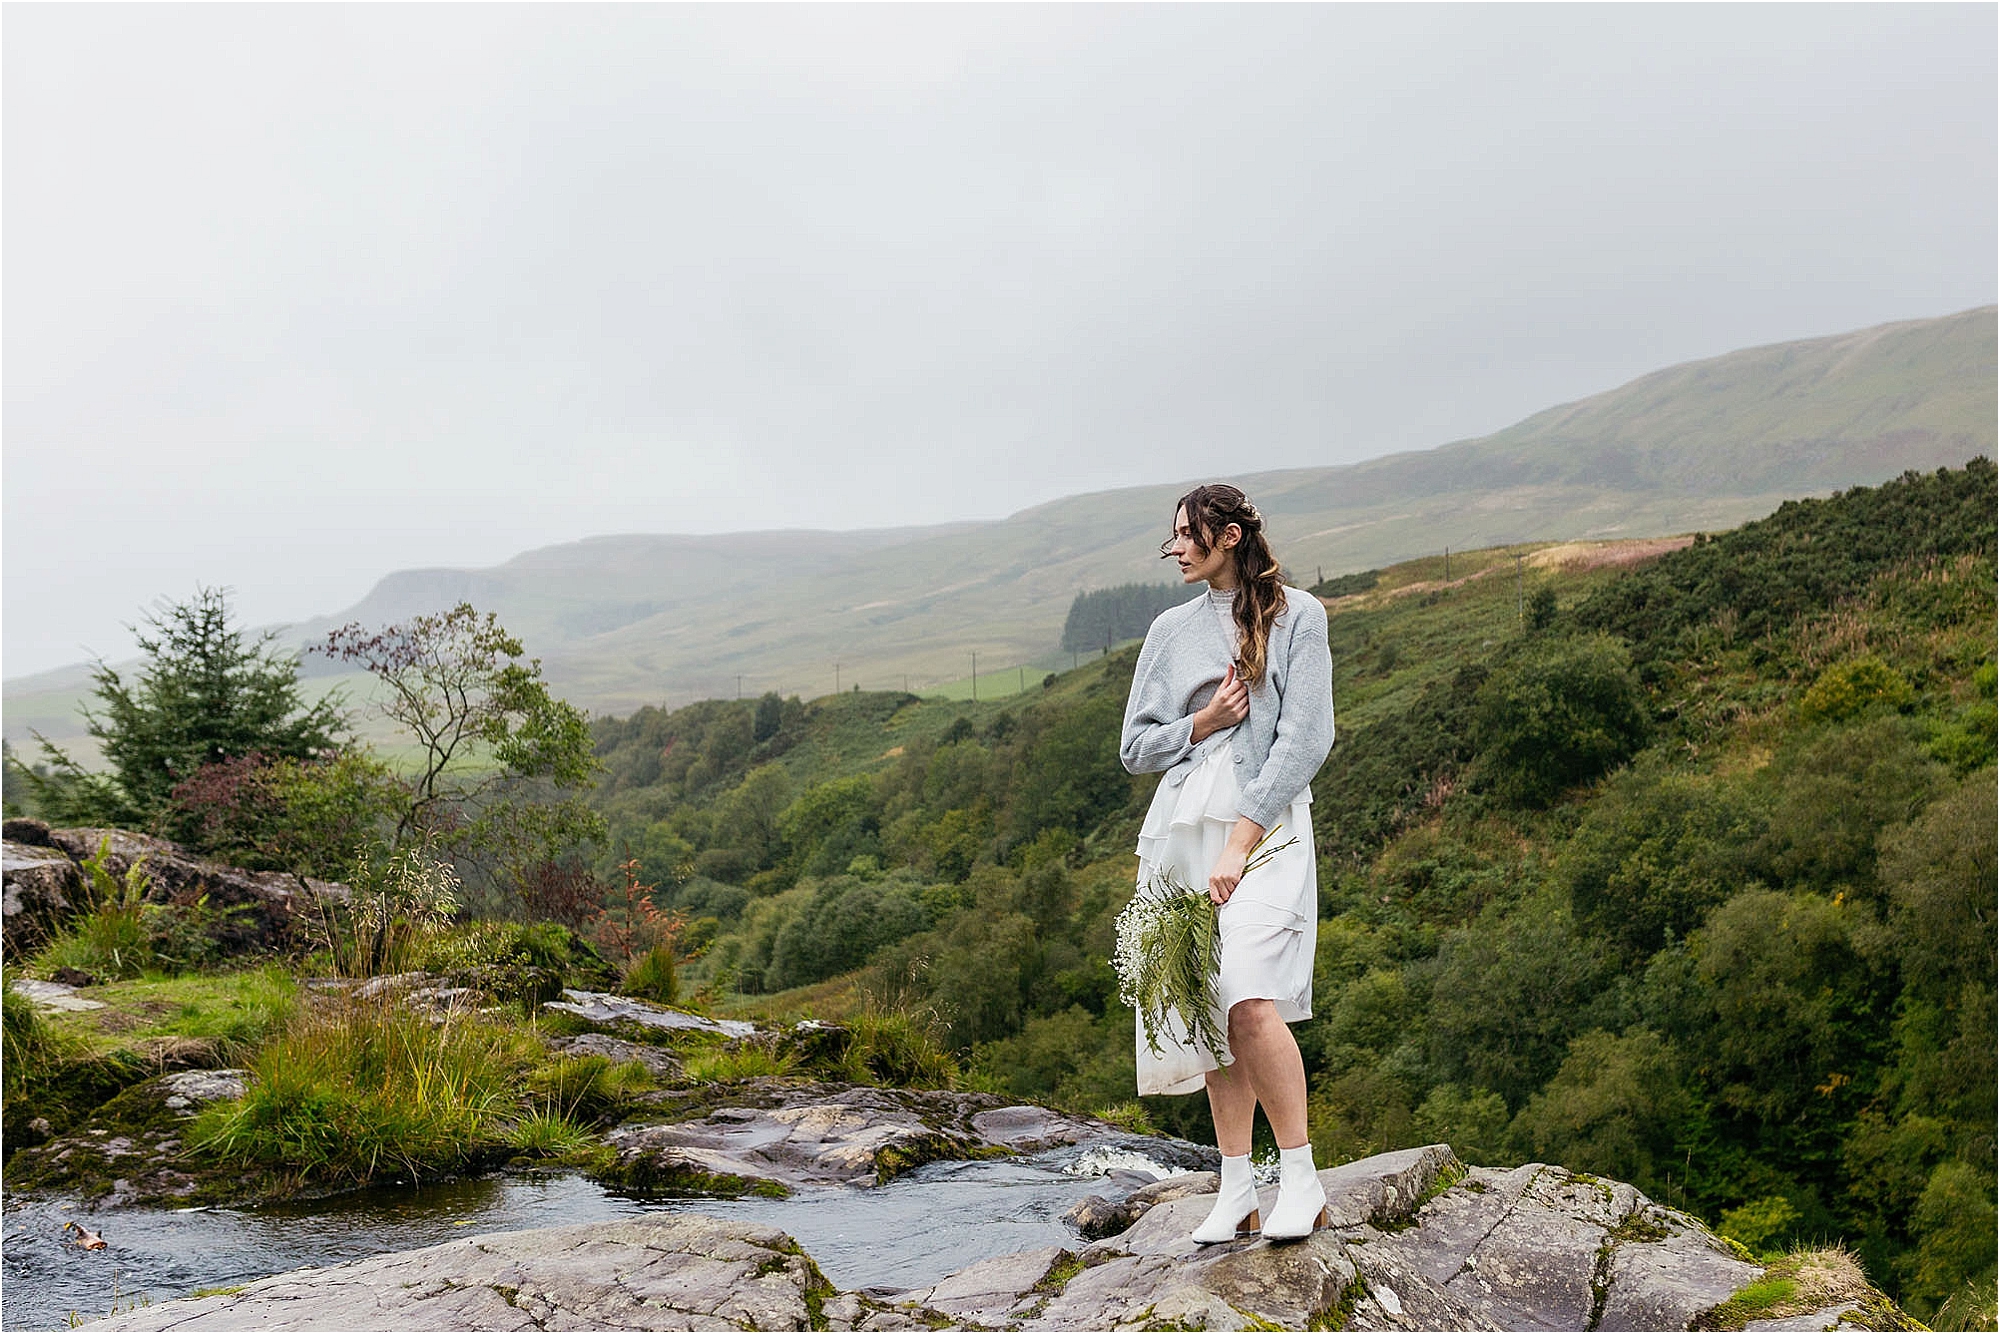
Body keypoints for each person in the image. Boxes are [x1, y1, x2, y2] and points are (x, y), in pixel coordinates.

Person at [1119, 482, 1335, 1244]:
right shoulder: (1169, 632)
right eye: (1172, 536)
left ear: (1230, 536)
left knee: (1246, 993)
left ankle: (1301, 1179)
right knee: (1208, 1009)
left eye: (1187, 534)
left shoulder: (1300, 617)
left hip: (1266, 830)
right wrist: (1201, 722)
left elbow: (1305, 740)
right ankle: (1237, 1186)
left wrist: (1241, 842)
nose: (1175, 548)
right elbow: (1134, 748)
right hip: (1183, 832)